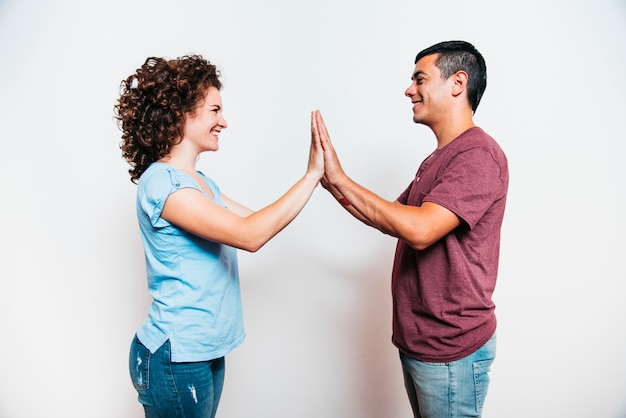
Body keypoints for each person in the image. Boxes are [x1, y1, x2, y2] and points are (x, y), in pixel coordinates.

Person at [114, 54, 324, 418]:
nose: (223, 122)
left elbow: (258, 222)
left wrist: (319, 179)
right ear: (182, 111)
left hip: (204, 351)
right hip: (175, 358)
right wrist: (310, 176)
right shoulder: (162, 183)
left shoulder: (202, 184)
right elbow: (251, 234)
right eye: (214, 110)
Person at [312, 40, 508, 417]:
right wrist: (331, 180)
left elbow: (419, 230)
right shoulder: (440, 157)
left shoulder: (478, 155)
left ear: (457, 83)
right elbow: (389, 218)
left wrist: (341, 177)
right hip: (422, 346)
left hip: (452, 352)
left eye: (420, 78)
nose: (409, 89)